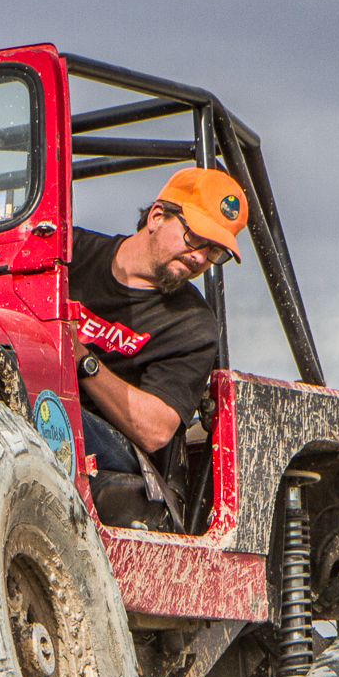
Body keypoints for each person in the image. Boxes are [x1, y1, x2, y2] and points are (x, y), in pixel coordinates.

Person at [70, 167, 248, 492]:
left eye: (215, 251)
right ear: (156, 217)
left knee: (45, 412)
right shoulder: (72, 252)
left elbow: (155, 430)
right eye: (195, 237)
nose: (200, 257)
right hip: (36, 397)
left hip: (117, 452)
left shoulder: (193, 325)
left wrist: (80, 358)